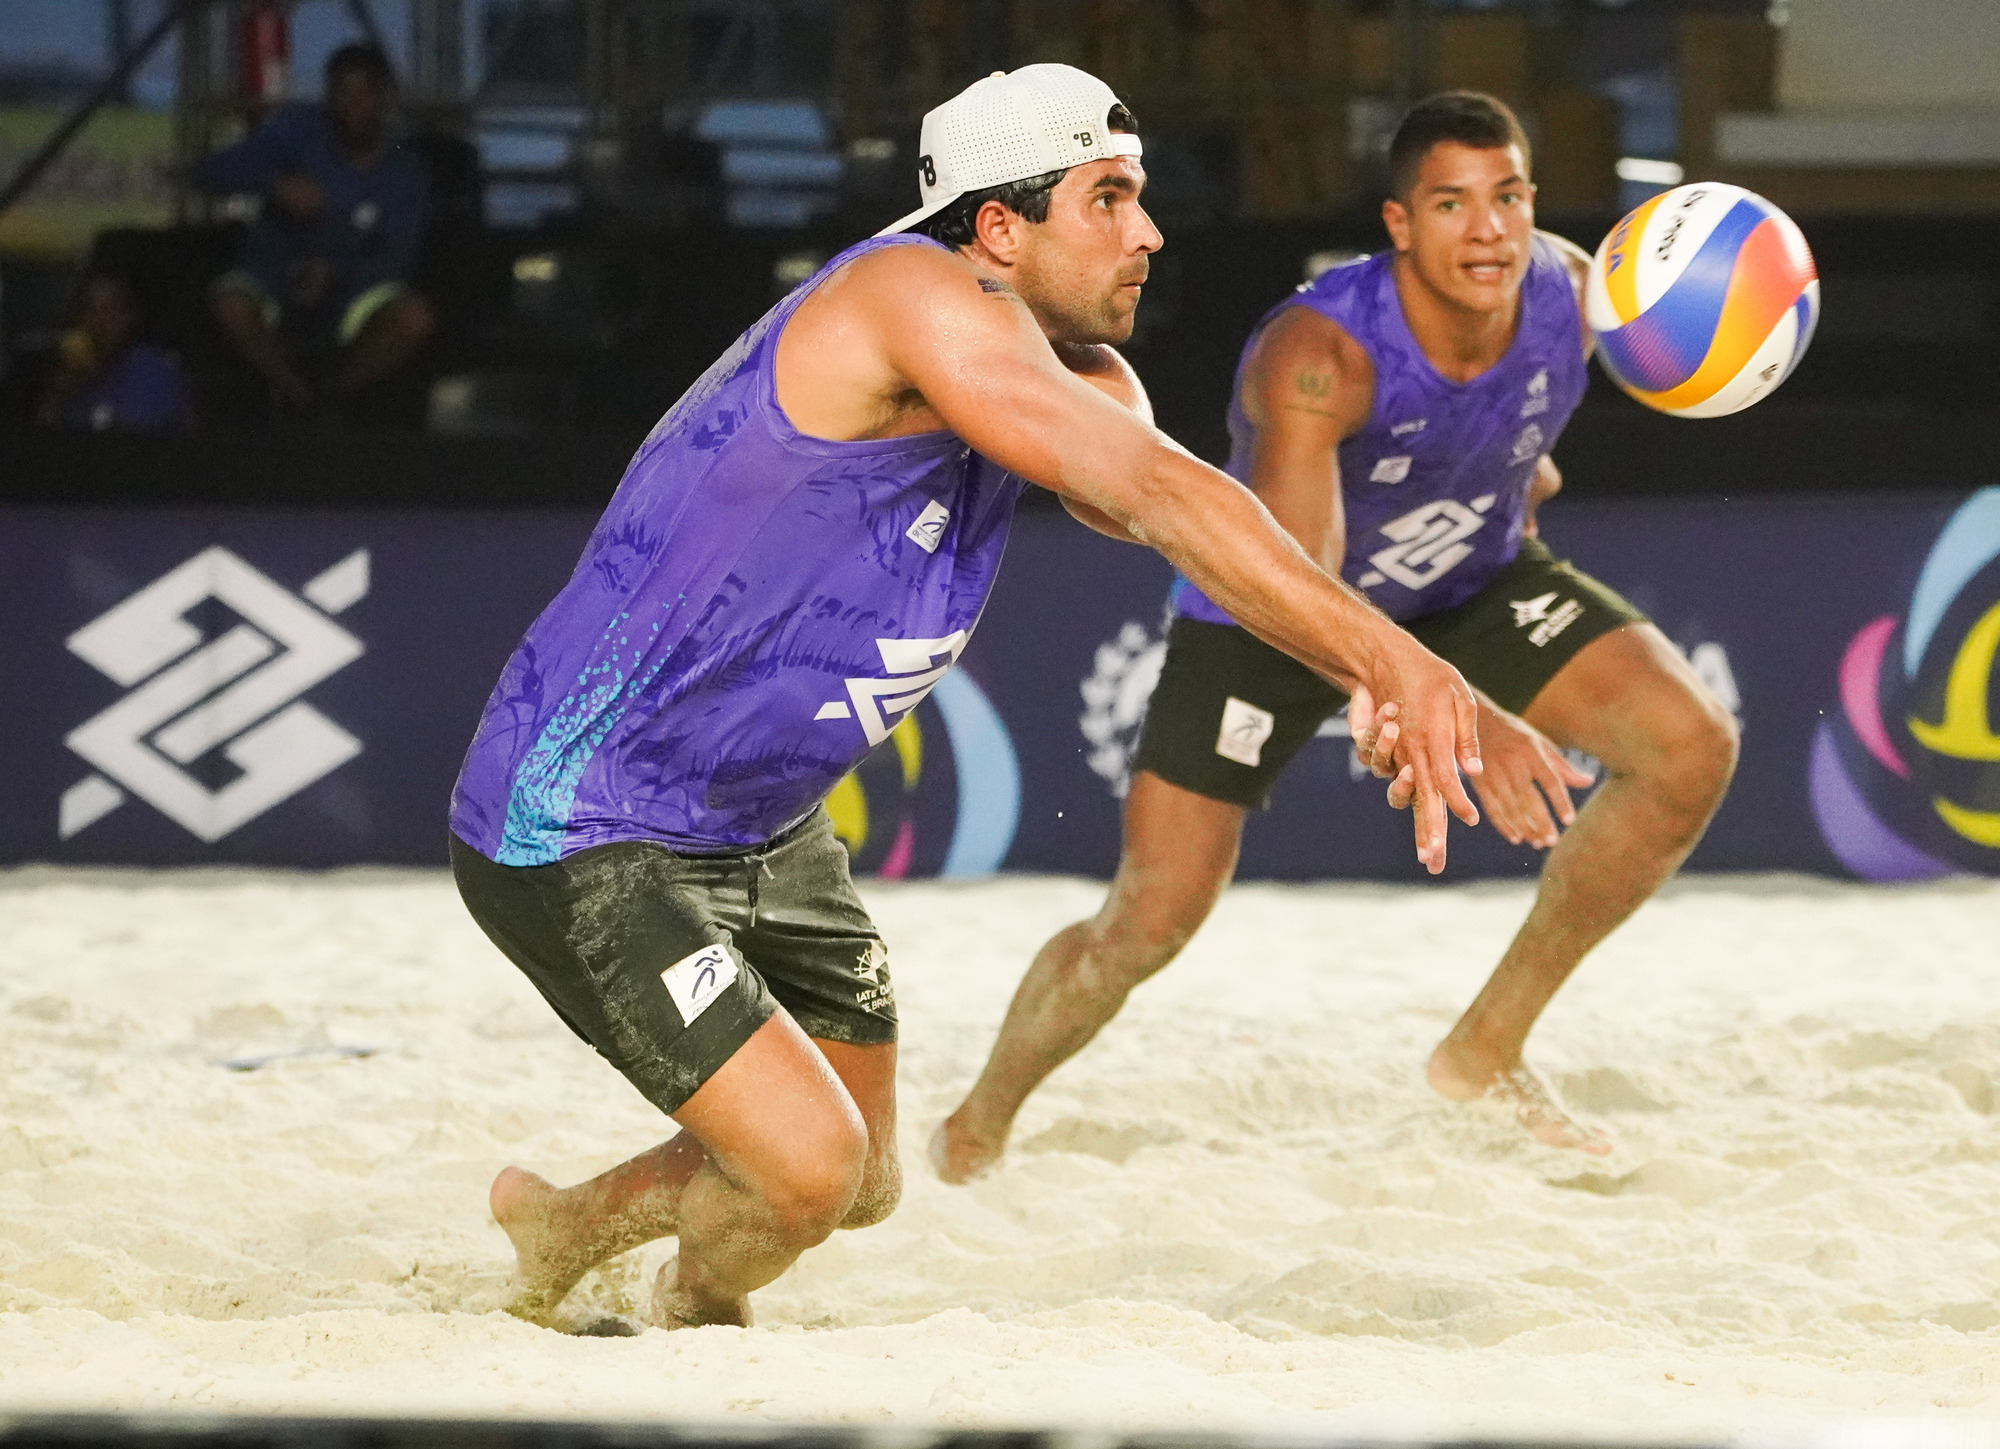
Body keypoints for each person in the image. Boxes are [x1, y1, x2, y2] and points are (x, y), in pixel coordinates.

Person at [448, 65, 1485, 1334]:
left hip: (758, 823)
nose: (1150, 232)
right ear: (997, 226)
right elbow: (1170, 500)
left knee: (862, 1180)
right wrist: (1393, 661)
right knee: (807, 1169)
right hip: (585, 818)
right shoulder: (905, 296)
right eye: (1108, 198)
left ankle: (578, 1232)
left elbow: (1182, 526)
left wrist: (1362, 673)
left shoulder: (1072, 373)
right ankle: (694, 1324)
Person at [933, 91, 1741, 1178]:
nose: (1488, 230)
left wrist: (1527, 482)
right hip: (1276, 617)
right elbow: (1300, 585)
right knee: (1147, 920)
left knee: (1690, 746)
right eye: (1450, 204)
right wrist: (1468, 710)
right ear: (1399, 224)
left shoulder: (1572, 296)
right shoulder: (1318, 355)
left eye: (1507, 197)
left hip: (1465, 581)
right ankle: (977, 1124)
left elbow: (1522, 437)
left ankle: (1484, 1049)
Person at [195, 42, 433, 416]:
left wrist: (335, 272)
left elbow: (400, 257)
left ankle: (331, 401)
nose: (353, 105)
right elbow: (211, 171)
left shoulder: (405, 170)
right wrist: (276, 184)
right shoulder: (297, 133)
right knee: (231, 305)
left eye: (365, 93)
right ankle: (295, 397)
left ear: (383, 98)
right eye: (343, 93)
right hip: (275, 277)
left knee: (414, 319)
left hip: (355, 293)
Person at [33, 270, 192, 432]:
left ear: (129, 317)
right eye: (89, 310)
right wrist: (57, 393)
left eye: (110, 309)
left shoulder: (150, 371)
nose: (98, 321)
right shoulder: (74, 374)